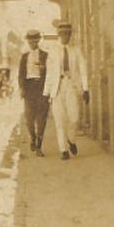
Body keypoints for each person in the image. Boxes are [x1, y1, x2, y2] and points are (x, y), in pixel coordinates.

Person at [44, 20, 89, 161]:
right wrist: (46, 92)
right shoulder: (53, 52)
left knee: (74, 118)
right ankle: (63, 150)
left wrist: (86, 89)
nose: (65, 36)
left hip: (72, 86)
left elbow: (83, 70)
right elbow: (49, 73)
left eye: (68, 34)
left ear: (71, 35)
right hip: (57, 87)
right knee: (60, 120)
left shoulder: (76, 51)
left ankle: (72, 140)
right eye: (63, 34)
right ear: (58, 35)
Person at [18, 29, 49, 156]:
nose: (32, 43)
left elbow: (51, 72)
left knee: (42, 118)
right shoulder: (24, 57)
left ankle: (39, 147)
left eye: (35, 41)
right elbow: (20, 74)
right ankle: (33, 137)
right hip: (29, 88)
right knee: (29, 118)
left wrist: (44, 68)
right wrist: (21, 88)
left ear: (38, 41)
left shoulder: (45, 55)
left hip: (42, 88)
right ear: (27, 42)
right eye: (30, 41)